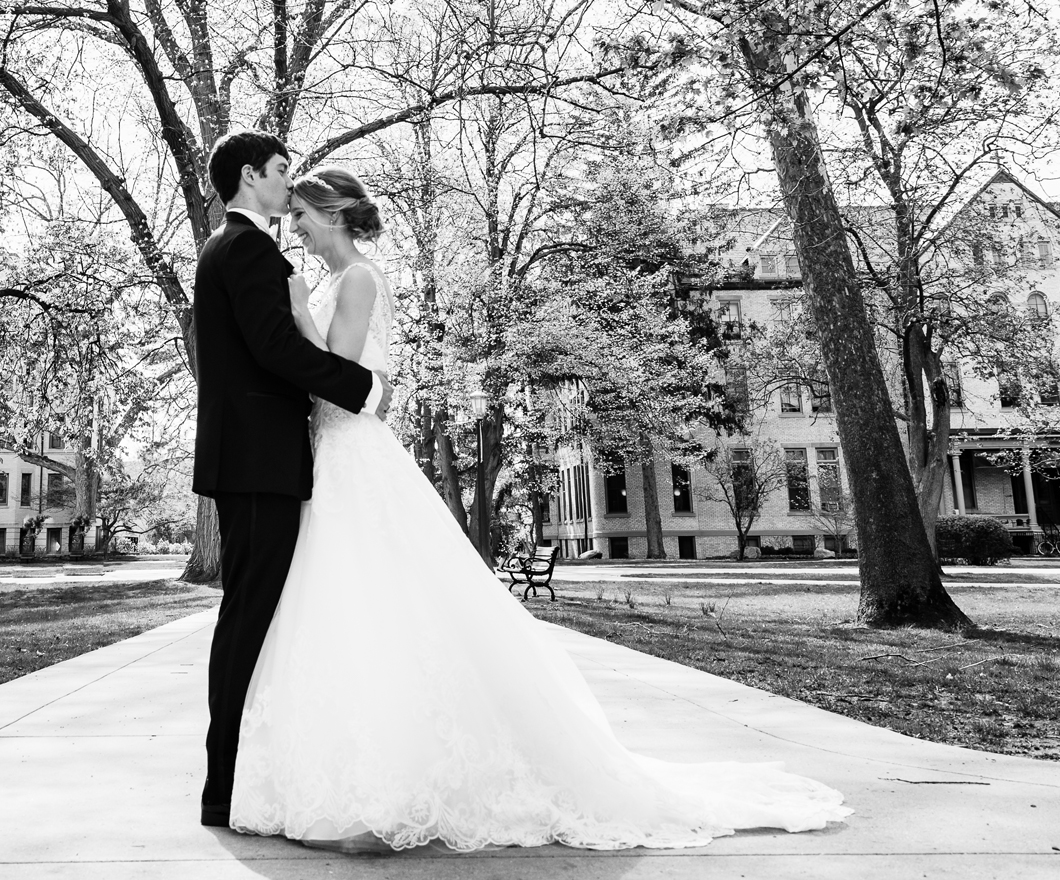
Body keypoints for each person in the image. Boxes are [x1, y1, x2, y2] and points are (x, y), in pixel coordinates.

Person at [228, 165, 852, 852]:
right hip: (332, 459)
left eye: (304, 221)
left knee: (378, 605)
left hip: (353, 453)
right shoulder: (328, 279)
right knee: (347, 611)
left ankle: (388, 793)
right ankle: (344, 777)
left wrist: (291, 315)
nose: (300, 235)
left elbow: (342, 379)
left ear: (333, 213)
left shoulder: (358, 279)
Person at [190, 131, 389, 829]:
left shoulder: (235, 248)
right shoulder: (246, 249)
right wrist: (362, 388)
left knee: (251, 616)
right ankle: (222, 786)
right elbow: (276, 348)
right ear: (251, 176)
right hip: (257, 460)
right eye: (280, 171)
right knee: (248, 617)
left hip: (256, 457)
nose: (288, 184)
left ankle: (230, 780)